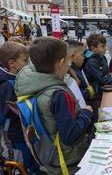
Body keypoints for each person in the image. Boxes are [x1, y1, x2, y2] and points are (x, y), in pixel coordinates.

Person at [15, 37, 94, 174]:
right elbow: (69, 135)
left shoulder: (31, 83)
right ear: (61, 63)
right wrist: (86, 113)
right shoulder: (58, 94)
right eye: (67, 61)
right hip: (68, 162)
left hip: (51, 155)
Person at [0, 42, 40, 173]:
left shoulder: (16, 78)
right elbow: (9, 112)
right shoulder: (7, 84)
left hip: (22, 129)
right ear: (12, 63)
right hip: (16, 133)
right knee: (24, 159)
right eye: (25, 60)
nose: (28, 64)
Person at [83, 34, 112, 107]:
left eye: (105, 46)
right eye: (102, 46)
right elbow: (102, 80)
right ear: (93, 48)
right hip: (96, 96)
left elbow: (106, 73)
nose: (106, 49)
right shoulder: (91, 62)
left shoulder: (102, 57)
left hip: (104, 89)